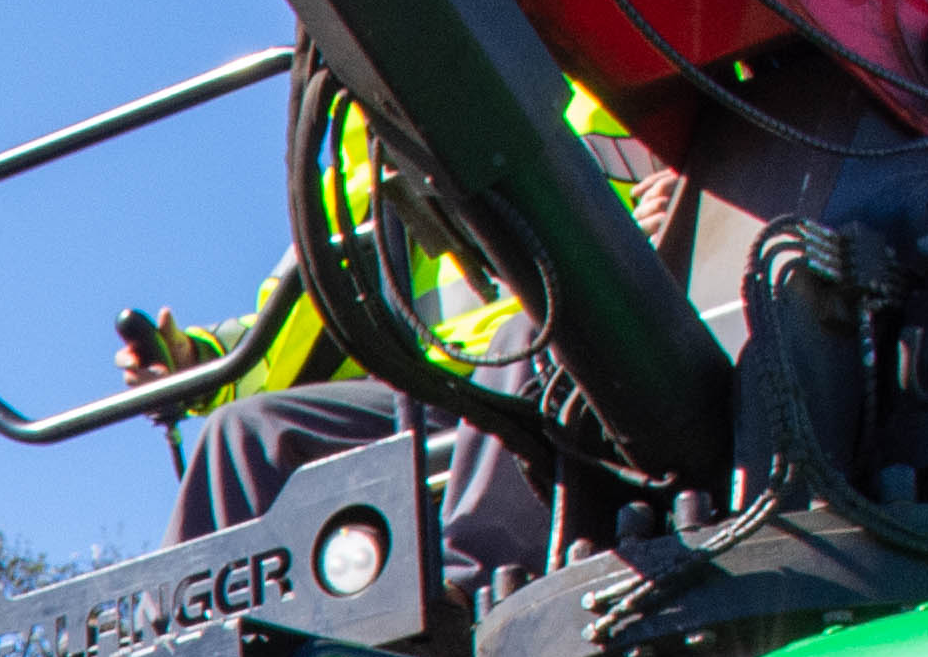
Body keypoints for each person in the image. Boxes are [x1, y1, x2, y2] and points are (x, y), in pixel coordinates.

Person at [119, 89, 648, 582]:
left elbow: (709, 146)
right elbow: (304, 321)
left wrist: (683, 204)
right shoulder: (363, 147)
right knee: (241, 434)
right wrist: (203, 364)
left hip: (578, 362)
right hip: (430, 395)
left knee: (527, 338)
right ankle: (175, 644)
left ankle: (467, 588)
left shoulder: (592, 67)